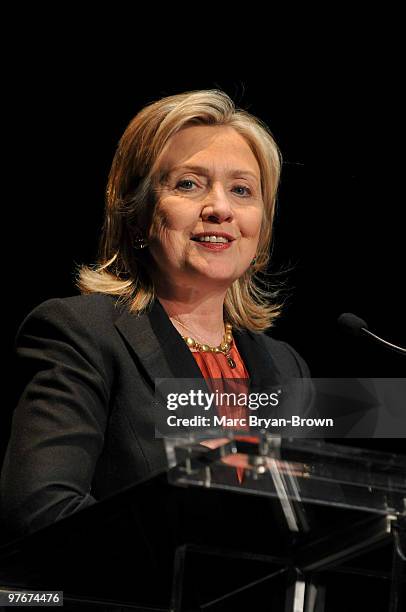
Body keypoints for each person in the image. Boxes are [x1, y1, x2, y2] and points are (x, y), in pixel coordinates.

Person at [0, 89, 313, 541]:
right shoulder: (82, 334)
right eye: (189, 184)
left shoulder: (287, 366)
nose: (220, 208)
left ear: (261, 225)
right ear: (138, 213)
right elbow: (42, 508)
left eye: (242, 190)